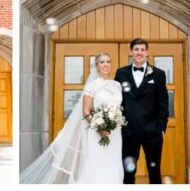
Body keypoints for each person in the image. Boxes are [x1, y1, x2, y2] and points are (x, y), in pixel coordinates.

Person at [19, 55, 124, 183]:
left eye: (108, 61)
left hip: (115, 134)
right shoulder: (92, 86)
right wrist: (99, 128)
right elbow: (85, 111)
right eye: (102, 62)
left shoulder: (117, 85)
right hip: (97, 132)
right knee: (97, 164)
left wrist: (115, 121)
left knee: (113, 163)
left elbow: (118, 108)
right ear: (96, 66)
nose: (106, 64)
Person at [116, 38, 169, 184]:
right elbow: (117, 100)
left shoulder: (158, 74)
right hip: (129, 132)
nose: (139, 53)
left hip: (152, 132)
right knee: (128, 172)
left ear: (147, 52)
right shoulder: (121, 73)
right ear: (131, 52)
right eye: (136, 49)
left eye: (142, 50)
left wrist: (161, 128)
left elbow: (163, 103)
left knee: (154, 170)